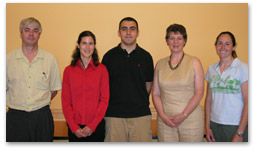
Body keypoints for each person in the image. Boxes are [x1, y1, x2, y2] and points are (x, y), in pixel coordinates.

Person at [6, 17, 62, 142]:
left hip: (41, 118)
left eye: (35, 30)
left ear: (39, 34)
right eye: (27, 30)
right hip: (15, 118)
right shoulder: (7, 60)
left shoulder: (50, 59)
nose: (31, 34)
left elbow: (54, 90)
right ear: (21, 33)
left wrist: (38, 104)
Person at [102, 17, 154, 142]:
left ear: (138, 32)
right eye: (124, 29)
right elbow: (103, 87)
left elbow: (148, 85)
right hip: (114, 116)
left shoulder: (146, 57)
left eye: (132, 29)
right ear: (119, 33)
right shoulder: (108, 57)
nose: (128, 33)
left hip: (140, 115)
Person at [152, 24, 204, 142]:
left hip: (191, 120)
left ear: (184, 41)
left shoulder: (194, 62)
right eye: (172, 38)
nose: (175, 42)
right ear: (167, 41)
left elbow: (199, 92)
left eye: (179, 38)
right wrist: (162, 115)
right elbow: (155, 93)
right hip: (165, 121)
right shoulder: (160, 64)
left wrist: (183, 115)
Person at [61, 31, 109, 142]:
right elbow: (66, 102)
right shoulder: (68, 71)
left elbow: (104, 100)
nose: (87, 47)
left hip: (96, 127)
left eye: (91, 43)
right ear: (78, 45)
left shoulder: (102, 70)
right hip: (75, 129)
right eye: (84, 43)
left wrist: (92, 126)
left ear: (94, 46)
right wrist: (74, 127)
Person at [205, 31, 248, 142]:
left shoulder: (243, 68)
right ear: (216, 46)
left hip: (235, 126)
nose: (223, 47)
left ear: (234, 47)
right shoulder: (211, 69)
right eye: (220, 43)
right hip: (215, 125)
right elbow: (208, 100)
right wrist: (207, 126)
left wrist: (240, 133)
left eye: (227, 44)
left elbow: (249, 102)